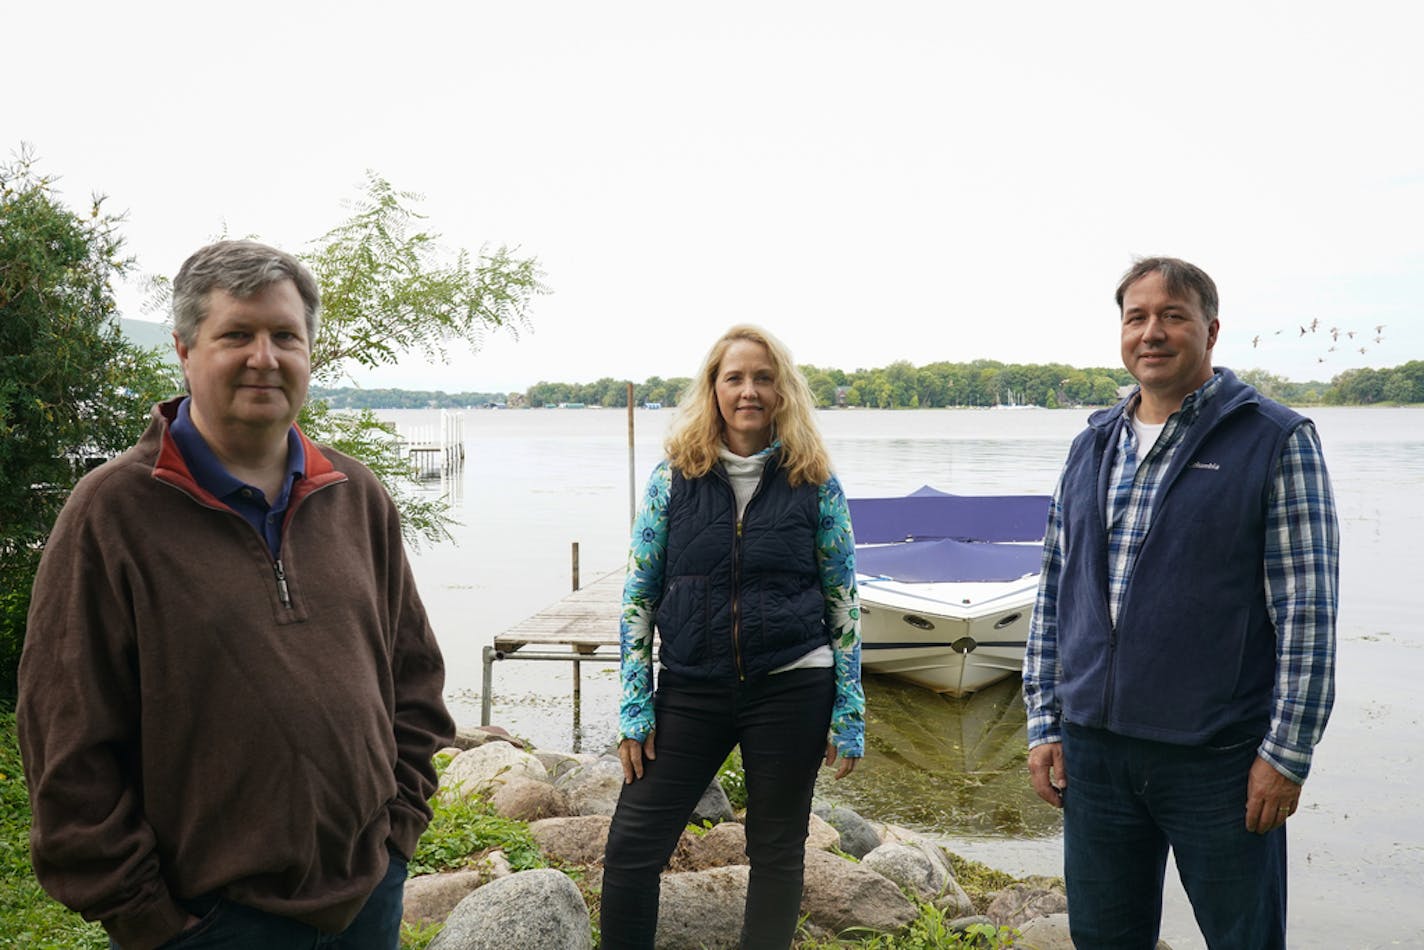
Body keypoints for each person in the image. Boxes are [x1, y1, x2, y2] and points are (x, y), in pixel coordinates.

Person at [17, 240, 456, 950]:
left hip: (367, 900)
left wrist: (396, 837)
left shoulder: (357, 496)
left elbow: (413, 681)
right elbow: (67, 741)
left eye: (285, 335)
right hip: (211, 922)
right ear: (186, 351)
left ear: (310, 350)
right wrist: (151, 921)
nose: (265, 356)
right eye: (237, 335)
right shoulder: (113, 514)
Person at [1023, 257, 1339, 948]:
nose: (1152, 332)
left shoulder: (1275, 440)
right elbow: (1053, 590)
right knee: (1105, 938)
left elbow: (1308, 612)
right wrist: (1045, 720)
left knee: (1244, 940)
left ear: (1211, 330)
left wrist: (1286, 754)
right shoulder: (1091, 445)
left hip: (1218, 760)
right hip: (1095, 755)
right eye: (1136, 317)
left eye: (1173, 315)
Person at [599, 325, 865, 949]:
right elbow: (638, 596)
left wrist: (849, 709)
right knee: (632, 849)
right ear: (713, 390)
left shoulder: (814, 480)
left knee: (777, 851)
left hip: (793, 684)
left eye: (763, 377)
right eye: (735, 378)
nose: (749, 390)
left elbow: (843, 599)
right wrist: (636, 705)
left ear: (783, 391)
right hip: (691, 688)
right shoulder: (673, 480)